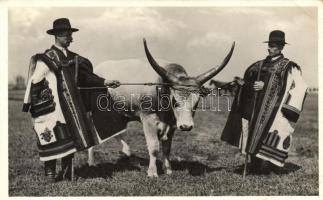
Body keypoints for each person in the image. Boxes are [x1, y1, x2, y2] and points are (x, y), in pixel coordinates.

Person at [22, 18, 120, 182]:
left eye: (70, 35)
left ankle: (67, 173)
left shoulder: (74, 59)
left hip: (71, 108)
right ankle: (50, 174)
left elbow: (86, 78)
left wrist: (104, 82)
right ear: (58, 35)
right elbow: (36, 81)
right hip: (52, 109)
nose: (71, 39)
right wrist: (39, 107)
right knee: (51, 138)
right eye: (67, 35)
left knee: (69, 138)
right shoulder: (47, 58)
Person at [221, 30, 308, 174]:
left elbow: (297, 86)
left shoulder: (288, 67)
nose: (270, 48)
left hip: (275, 111)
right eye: (269, 45)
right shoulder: (258, 65)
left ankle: (272, 167)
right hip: (255, 108)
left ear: (281, 47)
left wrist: (266, 86)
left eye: (273, 46)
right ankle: (254, 165)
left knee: (272, 136)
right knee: (252, 133)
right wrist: (246, 84)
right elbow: (250, 82)